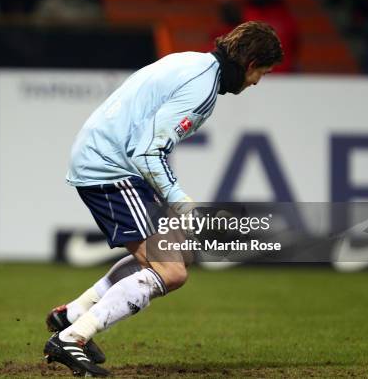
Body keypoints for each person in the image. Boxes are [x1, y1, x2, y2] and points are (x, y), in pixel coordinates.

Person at [42, 21, 284, 377]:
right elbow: (147, 152)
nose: (256, 82)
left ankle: (73, 315)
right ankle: (72, 338)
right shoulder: (202, 86)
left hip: (107, 159)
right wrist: (181, 202)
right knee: (170, 271)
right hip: (110, 169)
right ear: (250, 64)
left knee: (179, 251)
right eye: (261, 72)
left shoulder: (192, 63)